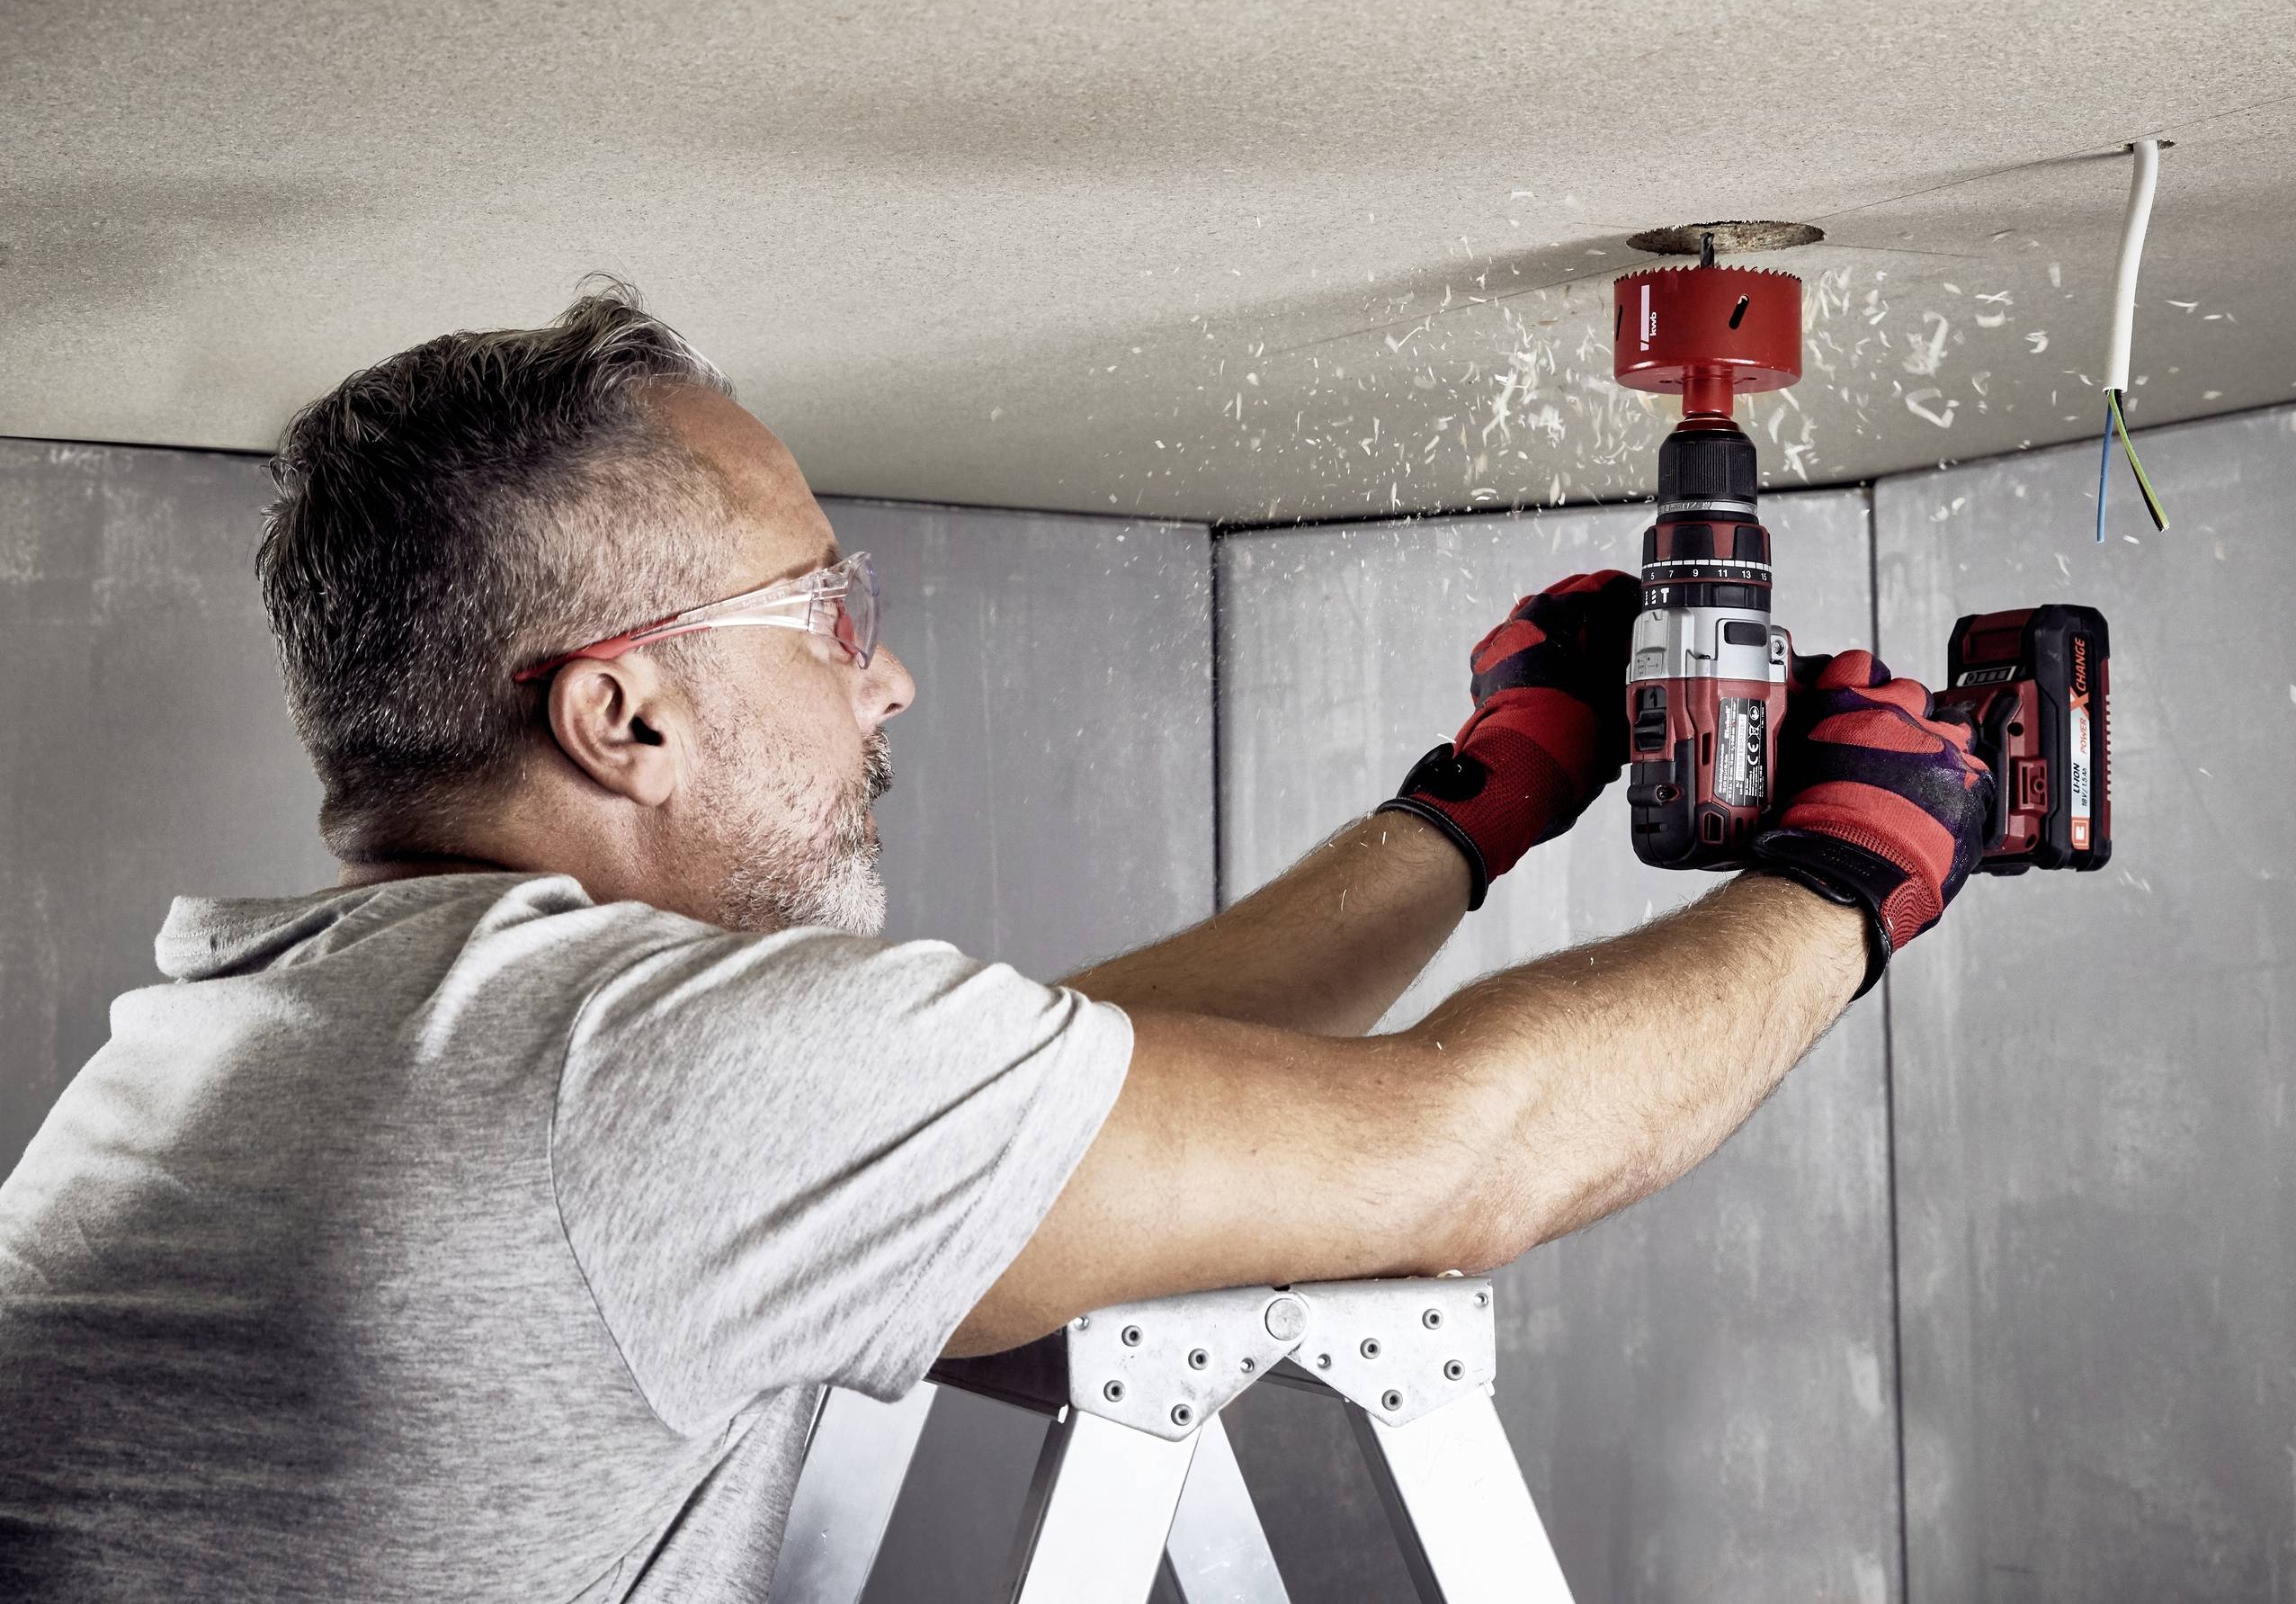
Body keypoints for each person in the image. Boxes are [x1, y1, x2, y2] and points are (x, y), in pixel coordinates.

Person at [0, 285, 1991, 1601]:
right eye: (825, 616)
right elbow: (1467, 1156)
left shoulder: (298, 1027)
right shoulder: (632, 1075)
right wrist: (1862, 866)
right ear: (622, 718)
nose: (887, 680)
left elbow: (1050, 1088)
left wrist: (1478, 804)